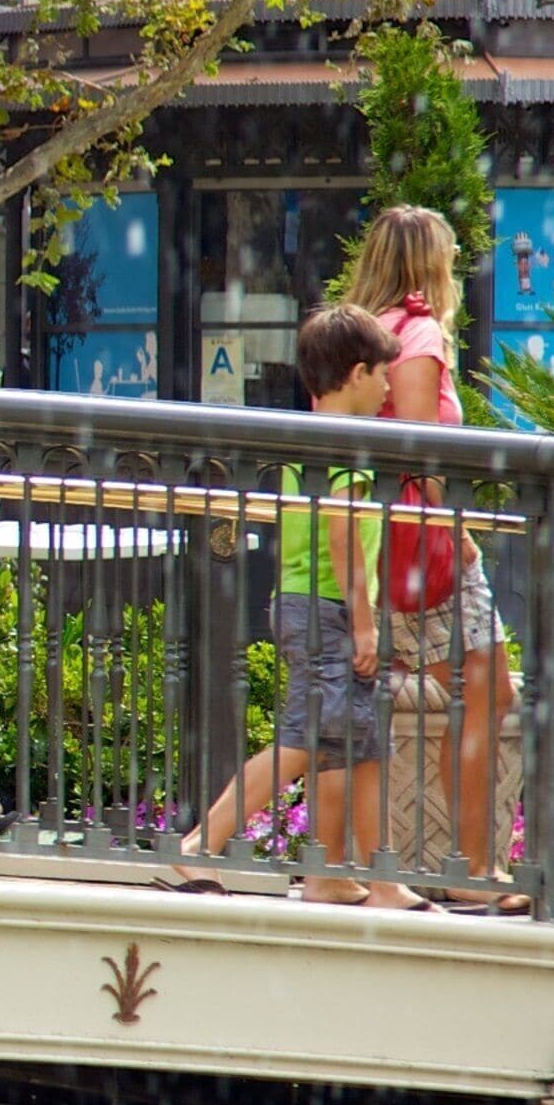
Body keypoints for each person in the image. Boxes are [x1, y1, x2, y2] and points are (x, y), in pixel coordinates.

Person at [178, 307, 425, 910]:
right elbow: (343, 532)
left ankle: (359, 878)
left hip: (309, 604)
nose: (390, 387)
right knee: (308, 740)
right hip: (327, 608)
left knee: (357, 743)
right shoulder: (346, 441)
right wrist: (364, 622)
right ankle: (198, 845)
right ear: (359, 372)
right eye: (383, 375)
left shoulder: (311, 436)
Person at [343, 203, 526, 914]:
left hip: (382, 542)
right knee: (484, 691)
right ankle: (472, 866)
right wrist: (461, 525)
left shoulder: (366, 328)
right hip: (427, 546)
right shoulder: (418, 335)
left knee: (383, 701)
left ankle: (394, 863)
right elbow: (421, 449)